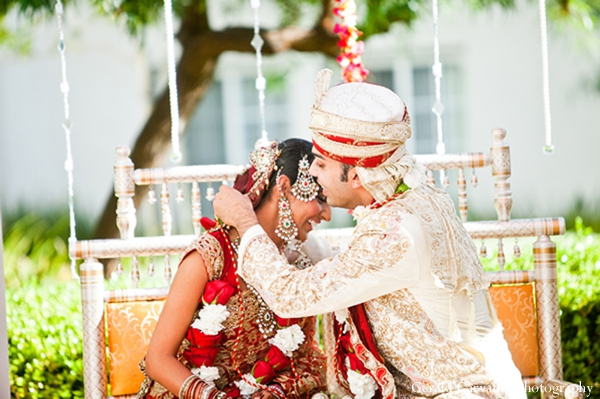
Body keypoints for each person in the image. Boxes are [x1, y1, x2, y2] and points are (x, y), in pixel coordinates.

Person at [212, 69, 525, 399]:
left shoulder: (396, 231)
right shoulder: (419, 198)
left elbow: (292, 297)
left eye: (321, 165)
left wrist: (247, 223)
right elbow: (354, 267)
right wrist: (285, 235)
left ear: (358, 176)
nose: (314, 174)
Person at [138, 138, 332, 399]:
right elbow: (158, 360)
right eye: (319, 198)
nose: (327, 213)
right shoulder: (211, 257)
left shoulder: (300, 261)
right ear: (284, 188)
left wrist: (276, 391)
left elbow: (307, 357)